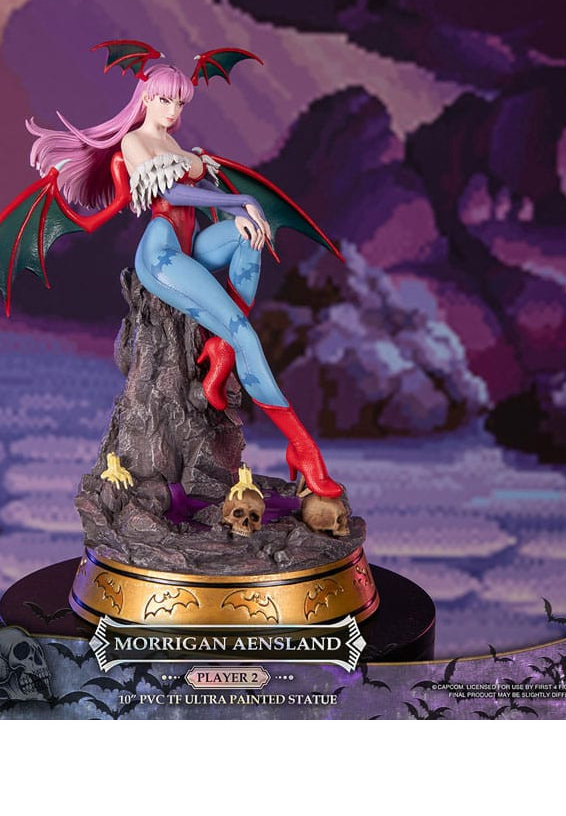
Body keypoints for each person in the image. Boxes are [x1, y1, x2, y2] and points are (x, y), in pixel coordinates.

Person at [25, 60, 344, 500]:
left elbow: (205, 194)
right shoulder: (134, 142)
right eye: (164, 99)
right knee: (247, 335)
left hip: (190, 245)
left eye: (179, 102)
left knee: (252, 233)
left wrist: (242, 209)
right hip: (162, 255)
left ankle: (223, 347)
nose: (172, 110)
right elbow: (171, 193)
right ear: (145, 98)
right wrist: (238, 200)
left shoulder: (173, 144)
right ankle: (302, 447)